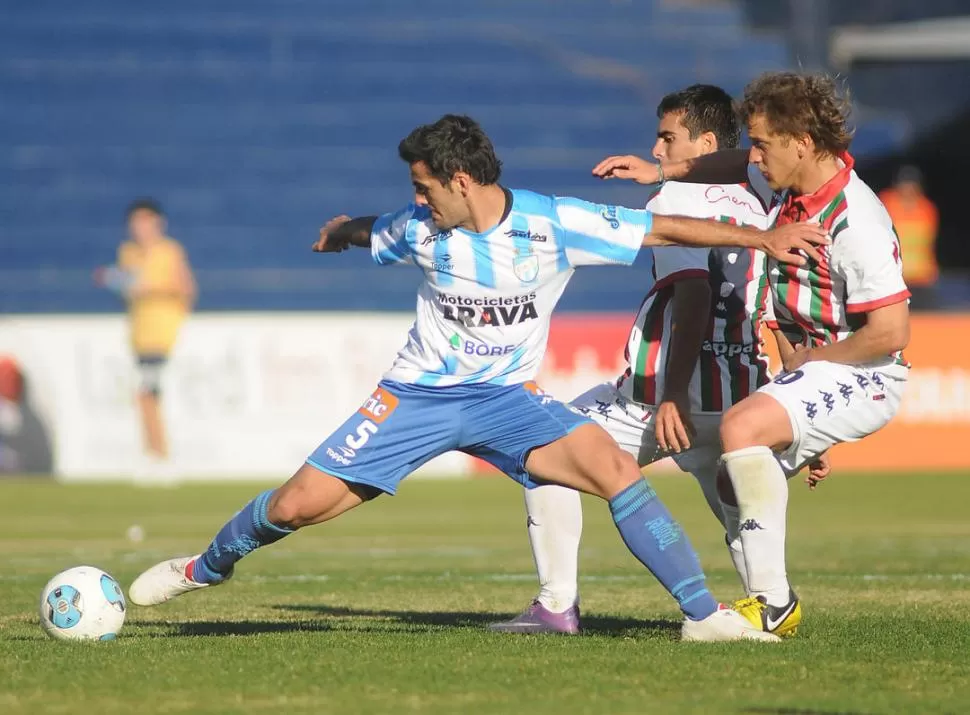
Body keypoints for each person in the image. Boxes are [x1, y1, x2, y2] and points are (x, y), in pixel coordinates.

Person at [128, 114, 826, 642]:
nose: (419, 201)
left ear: (461, 181)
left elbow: (666, 231)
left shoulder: (554, 223)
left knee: (614, 466)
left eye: (425, 188)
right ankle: (203, 568)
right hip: (416, 399)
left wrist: (763, 238)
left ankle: (702, 616)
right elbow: (374, 229)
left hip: (508, 403)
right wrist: (340, 231)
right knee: (291, 508)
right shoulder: (420, 229)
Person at [491, 84, 825, 636]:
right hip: (743, 401)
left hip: (661, 403)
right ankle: (770, 608)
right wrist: (803, 413)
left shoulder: (677, 204)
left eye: (668, 138)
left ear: (706, 142)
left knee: (545, 453)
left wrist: (672, 395)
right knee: (743, 524)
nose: (656, 148)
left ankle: (556, 606)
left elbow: (691, 294)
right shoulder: (766, 204)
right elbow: (781, 315)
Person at [590, 71, 910, 636]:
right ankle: (770, 604)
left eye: (761, 144)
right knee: (730, 478)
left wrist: (813, 370)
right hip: (819, 369)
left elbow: (890, 332)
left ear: (802, 143)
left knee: (740, 426)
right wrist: (662, 170)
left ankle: (772, 604)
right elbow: (731, 165)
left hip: (870, 372)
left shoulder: (854, 218)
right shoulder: (794, 188)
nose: (752, 158)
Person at [95, 199, 196, 480]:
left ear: (157, 223)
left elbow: (185, 288)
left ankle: (160, 457)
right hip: (139, 334)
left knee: (147, 393)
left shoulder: (169, 251)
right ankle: (154, 454)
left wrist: (149, 288)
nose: (139, 228)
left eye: (145, 221)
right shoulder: (127, 252)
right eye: (135, 222)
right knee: (147, 395)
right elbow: (128, 287)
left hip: (163, 333)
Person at [879, 165, 939, 309]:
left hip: (921, 279)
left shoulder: (926, 209)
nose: (908, 189)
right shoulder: (886, 203)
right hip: (894, 279)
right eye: (905, 185)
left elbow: (928, 243)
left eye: (912, 185)